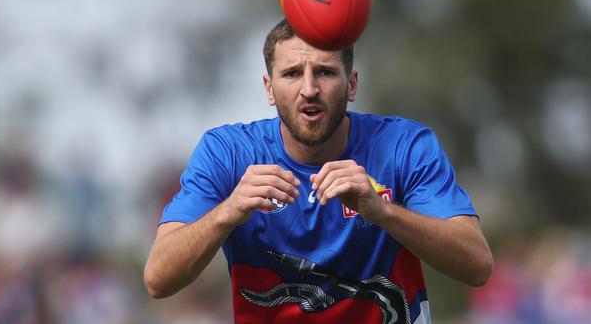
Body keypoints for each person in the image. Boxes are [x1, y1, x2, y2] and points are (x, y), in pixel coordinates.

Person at [144, 19, 494, 324]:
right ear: (269, 88)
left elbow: (477, 265)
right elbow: (158, 279)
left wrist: (384, 212)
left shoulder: (404, 145)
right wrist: (228, 212)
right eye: (292, 73)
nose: (309, 89)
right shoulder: (228, 154)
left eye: (325, 72)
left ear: (352, 84)